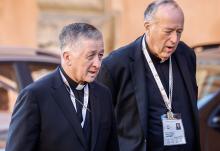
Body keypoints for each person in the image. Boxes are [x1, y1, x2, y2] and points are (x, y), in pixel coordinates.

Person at [97, 0, 201, 151]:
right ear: (148, 27)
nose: (174, 39)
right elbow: (101, 125)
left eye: (179, 31)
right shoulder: (116, 64)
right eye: (168, 31)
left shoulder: (187, 55)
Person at [6, 23, 119, 151]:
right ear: (67, 57)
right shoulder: (35, 96)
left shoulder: (104, 94)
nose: (97, 64)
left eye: (100, 55)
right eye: (90, 56)